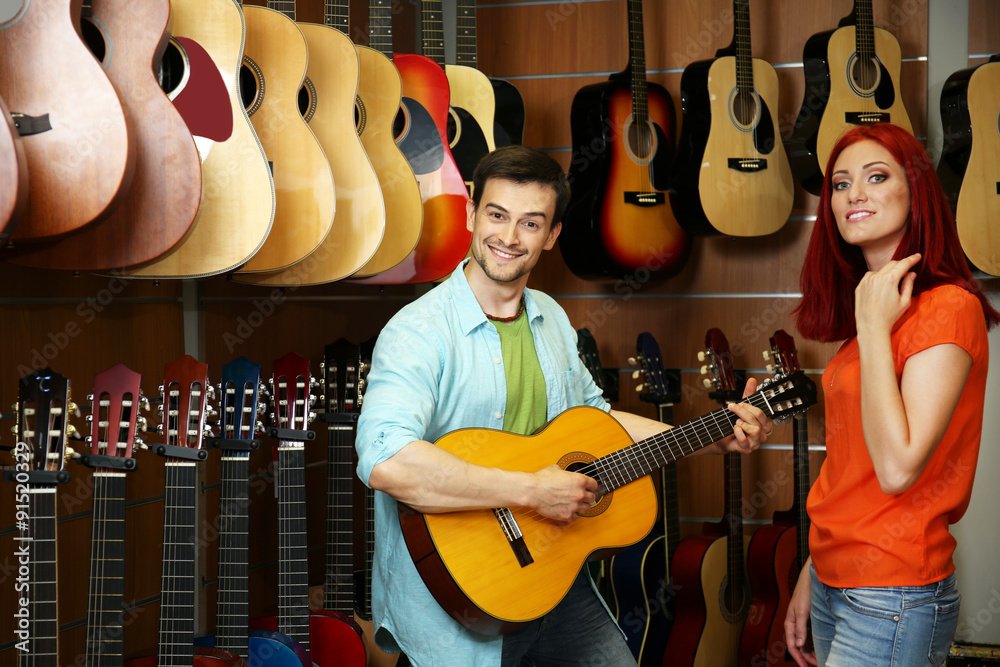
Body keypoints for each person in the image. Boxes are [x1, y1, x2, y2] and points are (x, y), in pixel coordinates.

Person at [354, 145, 774, 667]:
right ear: (469, 212)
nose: (508, 238)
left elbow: (599, 421)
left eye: (530, 223)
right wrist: (532, 489)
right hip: (462, 591)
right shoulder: (418, 332)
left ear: (552, 235)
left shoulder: (550, 317)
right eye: (497, 215)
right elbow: (386, 461)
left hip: (553, 570)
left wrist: (707, 438)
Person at [784, 122, 1000, 667]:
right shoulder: (872, 314)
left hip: (893, 596)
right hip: (836, 584)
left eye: (876, 177)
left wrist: (875, 328)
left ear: (916, 191)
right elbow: (851, 464)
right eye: (839, 184)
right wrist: (815, 568)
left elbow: (898, 469)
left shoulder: (947, 307)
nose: (854, 194)